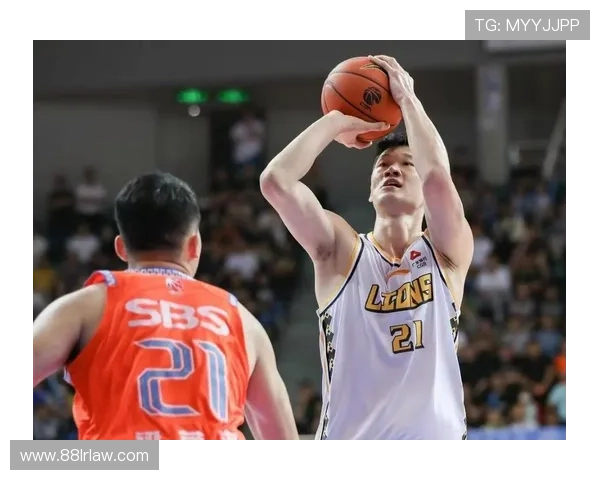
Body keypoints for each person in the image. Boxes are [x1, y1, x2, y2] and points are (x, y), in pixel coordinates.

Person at [260, 55, 474, 440]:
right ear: (370, 192)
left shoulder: (446, 252)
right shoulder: (341, 252)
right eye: (383, 165)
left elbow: (439, 180)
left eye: (407, 164)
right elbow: (276, 181)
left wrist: (407, 100)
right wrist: (336, 121)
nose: (392, 168)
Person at [32, 172, 298, 441]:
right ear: (194, 246)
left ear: (121, 248)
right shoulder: (243, 320)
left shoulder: (84, 307)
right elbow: (284, 444)